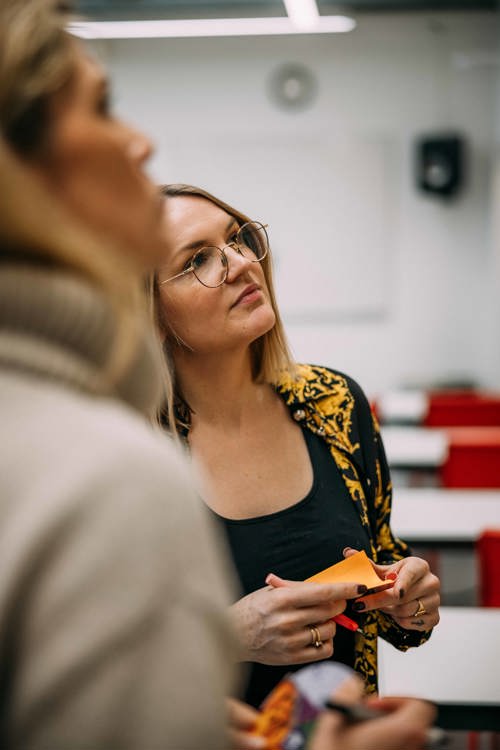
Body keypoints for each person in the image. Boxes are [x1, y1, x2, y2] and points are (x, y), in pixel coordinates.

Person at [0, 2, 240, 747]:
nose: (141, 142)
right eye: (101, 109)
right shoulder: (111, 473)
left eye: (237, 242)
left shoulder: (334, 403)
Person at [148, 183, 441, 708]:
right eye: (198, 260)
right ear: (150, 312)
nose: (239, 263)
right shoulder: (134, 452)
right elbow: (88, 667)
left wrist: (410, 600)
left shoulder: (335, 403)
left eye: (237, 239)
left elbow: (387, 577)